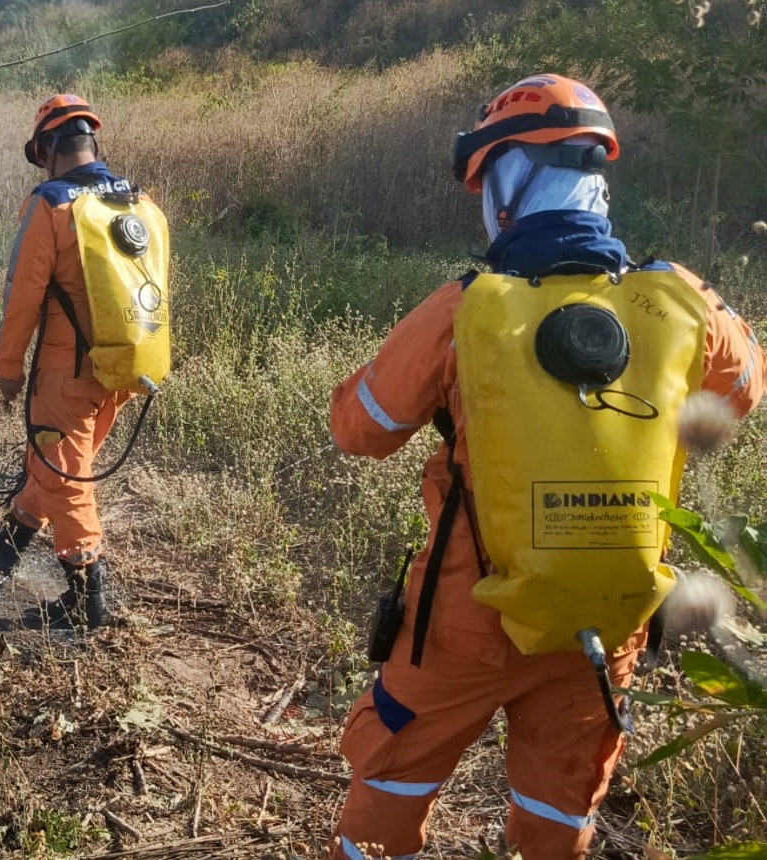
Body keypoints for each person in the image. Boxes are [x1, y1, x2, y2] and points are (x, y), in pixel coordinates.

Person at [327, 73, 765, 860]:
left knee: (390, 787)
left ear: (505, 183)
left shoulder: (463, 306)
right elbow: (743, 391)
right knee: (558, 809)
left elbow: (361, 430)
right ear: (595, 173)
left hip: (465, 621)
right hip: (604, 619)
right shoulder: (684, 299)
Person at [0, 93, 162, 631]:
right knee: (54, 458)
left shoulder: (51, 205)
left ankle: (85, 599)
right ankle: (10, 543)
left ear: (50, 148)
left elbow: (22, 297)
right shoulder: (138, 201)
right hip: (125, 367)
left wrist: (8, 369)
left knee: (67, 474)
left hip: (67, 372)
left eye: (41, 156)